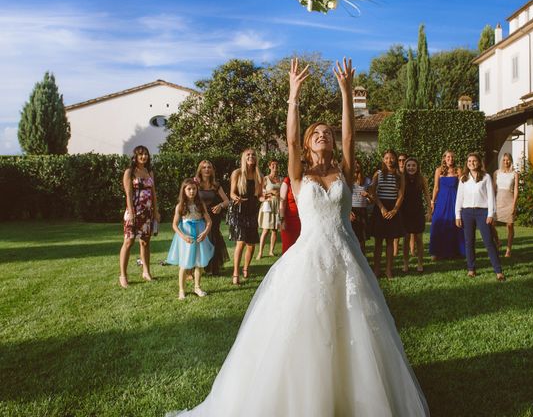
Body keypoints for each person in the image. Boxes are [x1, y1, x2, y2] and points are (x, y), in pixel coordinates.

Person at [168, 58, 429, 416]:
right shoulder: (298, 174)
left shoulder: (344, 171)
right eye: (316, 133)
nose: (323, 135)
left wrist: (346, 92)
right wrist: (293, 94)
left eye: (327, 132)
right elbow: (290, 140)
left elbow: (350, 136)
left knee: (353, 330)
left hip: (345, 257)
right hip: (308, 256)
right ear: (308, 146)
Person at [455, 152, 505, 281]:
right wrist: (457, 215)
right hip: (466, 213)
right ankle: (471, 269)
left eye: (474, 161)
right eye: (469, 161)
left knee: (489, 241)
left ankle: (498, 271)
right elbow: (459, 198)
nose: (471, 163)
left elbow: (491, 197)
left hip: (482, 212)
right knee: (469, 242)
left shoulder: (486, 177)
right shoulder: (463, 178)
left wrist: (490, 214)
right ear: (467, 163)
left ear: (479, 162)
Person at [118, 145, 160, 288]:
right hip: (134, 212)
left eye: (146, 154)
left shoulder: (149, 172)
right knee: (128, 242)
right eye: (141, 154)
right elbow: (129, 194)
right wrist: (132, 213)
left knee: (145, 242)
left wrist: (156, 211)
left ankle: (146, 272)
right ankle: (123, 275)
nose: (144, 157)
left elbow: (153, 193)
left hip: (147, 212)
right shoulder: (129, 172)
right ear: (135, 156)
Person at [165, 178, 214, 299]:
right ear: (184, 190)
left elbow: (209, 221)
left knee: (199, 262)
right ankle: (181, 290)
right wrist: (183, 236)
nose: (192, 191)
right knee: (184, 263)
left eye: (194, 189)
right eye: (189, 189)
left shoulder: (200, 204)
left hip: (199, 234)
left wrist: (205, 233)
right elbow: (174, 225)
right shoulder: (180, 206)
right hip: (186, 236)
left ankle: (197, 287)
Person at [227, 149, 262, 285]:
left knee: (251, 245)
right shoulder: (237, 173)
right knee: (240, 242)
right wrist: (236, 198)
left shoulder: (259, 175)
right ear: (244, 158)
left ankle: (246, 268)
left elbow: (259, 196)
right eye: (248, 154)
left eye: (253, 154)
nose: (251, 156)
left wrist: (266, 198)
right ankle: (236, 272)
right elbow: (231, 193)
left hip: (252, 210)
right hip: (239, 209)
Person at [369, 149, 405, 278]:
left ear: (395, 159)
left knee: (390, 242)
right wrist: (382, 208)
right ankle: (376, 269)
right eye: (386, 158)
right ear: (383, 160)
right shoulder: (378, 174)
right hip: (380, 209)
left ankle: (388, 270)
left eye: (391, 158)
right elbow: (373, 193)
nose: (389, 160)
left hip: (393, 208)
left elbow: (401, 195)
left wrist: (395, 210)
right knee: (378, 242)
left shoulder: (399, 175)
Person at [195, 160, 230, 275]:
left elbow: (227, 201)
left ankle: (212, 267)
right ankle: (195, 268)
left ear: (212, 170)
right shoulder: (195, 184)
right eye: (204, 167)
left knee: (213, 240)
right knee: (200, 240)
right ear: (200, 170)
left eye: (209, 167)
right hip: (199, 216)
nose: (207, 169)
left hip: (214, 217)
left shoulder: (216, 185)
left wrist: (220, 205)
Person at [429, 150, 465, 260]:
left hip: (455, 200)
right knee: (438, 223)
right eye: (448, 157)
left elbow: (463, 186)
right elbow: (436, 187)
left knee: (455, 224)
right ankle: (437, 252)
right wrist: (432, 201)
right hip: (441, 200)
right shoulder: (439, 170)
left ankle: (456, 251)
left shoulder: (458, 170)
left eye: (452, 157)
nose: (450, 159)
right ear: (444, 158)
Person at [400, 157, 430, 272]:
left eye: (413, 165)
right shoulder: (402, 178)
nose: (411, 167)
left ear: (417, 167)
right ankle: (406, 264)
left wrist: (429, 210)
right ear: (405, 167)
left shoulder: (422, 179)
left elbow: (427, 195)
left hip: (418, 211)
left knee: (418, 238)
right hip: (405, 212)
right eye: (408, 165)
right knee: (406, 238)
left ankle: (420, 263)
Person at [493, 153, 519, 258]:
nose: (506, 162)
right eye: (504, 160)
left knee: (510, 226)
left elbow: (516, 189)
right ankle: (498, 241)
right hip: (498, 201)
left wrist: (514, 204)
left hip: (509, 201)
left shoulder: (515, 174)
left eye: (508, 160)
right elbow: (493, 188)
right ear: (501, 161)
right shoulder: (496, 173)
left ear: (511, 161)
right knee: (491, 224)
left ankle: (508, 249)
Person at [257, 160, 281, 258]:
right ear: (269, 167)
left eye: (276, 165)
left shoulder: (281, 179)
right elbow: (259, 193)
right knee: (266, 229)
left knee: (275, 229)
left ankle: (271, 251)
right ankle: (260, 252)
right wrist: (269, 192)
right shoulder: (265, 179)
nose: (275, 167)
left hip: (278, 204)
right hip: (268, 204)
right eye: (273, 165)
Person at [350, 158, 370, 254]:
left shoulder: (367, 180)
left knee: (361, 240)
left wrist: (368, 196)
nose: (356, 165)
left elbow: (371, 200)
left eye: (358, 163)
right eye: (354, 163)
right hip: (351, 211)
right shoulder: (346, 179)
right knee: (351, 239)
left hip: (362, 210)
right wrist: (348, 212)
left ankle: (363, 262)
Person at [279, 175, 300, 253]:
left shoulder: (305, 180)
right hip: (289, 220)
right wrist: (282, 220)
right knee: (288, 248)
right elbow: (282, 201)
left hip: (303, 219)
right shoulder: (287, 181)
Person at [394, 152, 409, 258]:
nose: (402, 162)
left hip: (409, 203)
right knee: (397, 226)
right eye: (399, 160)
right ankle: (395, 250)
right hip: (397, 202)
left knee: (409, 228)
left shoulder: (411, 173)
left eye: (404, 160)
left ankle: (412, 250)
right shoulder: (395, 173)